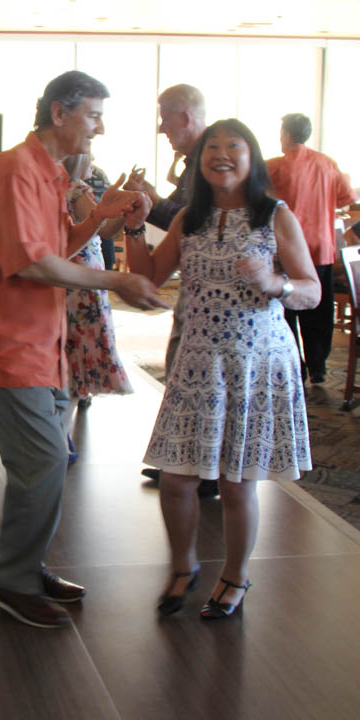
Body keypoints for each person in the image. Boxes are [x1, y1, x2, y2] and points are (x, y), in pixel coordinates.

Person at [0, 70, 168, 629]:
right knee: (44, 461)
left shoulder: (45, 173)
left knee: (46, 462)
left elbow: (51, 247)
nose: (100, 126)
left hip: (37, 341)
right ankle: (10, 577)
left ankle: (25, 566)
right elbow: (30, 263)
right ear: (59, 114)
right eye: (93, 114)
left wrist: (98, 217)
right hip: (7, 342)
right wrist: (119, 282)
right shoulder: (17, 171)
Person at [125, 119, 320, 619]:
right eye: (213, 147)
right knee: (176, 478)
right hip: (198, 361)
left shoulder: (274, 215)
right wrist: (131, 227)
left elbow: (311, 290)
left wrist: (275, 283)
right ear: (200, 161)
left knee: (237, 482)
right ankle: (183, 567)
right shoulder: (190, 216)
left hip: (256, 363)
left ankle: (235, 575)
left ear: (252, 159)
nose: (222, 155)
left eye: (235, 147)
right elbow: (147, 280)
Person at [125, 84, 217, 497]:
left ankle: (193, 467)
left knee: (186, 370)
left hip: (210, 292)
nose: (162, 128)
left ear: (185, 117)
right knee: (184, 369)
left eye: (164, 118)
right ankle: (189, 464)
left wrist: (151, 201)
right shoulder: (199, 159)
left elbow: (187, 219)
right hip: (200, 287)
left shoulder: (207, 161)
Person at [267, 112, 358, 384]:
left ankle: (296, 365)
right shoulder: (327, 164)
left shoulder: (274, 167)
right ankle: (318, 366)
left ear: (286, 135)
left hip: (287, 251)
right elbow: (348, 197)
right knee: (319, 309)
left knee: (287, 310)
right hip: (321, 248)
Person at [62, 154, 132, 410]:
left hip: (68, 267)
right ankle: (79, 388)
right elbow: (103, 228)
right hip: (82, 269)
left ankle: (72, 387)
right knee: (84, 332)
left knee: (71, 331)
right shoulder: (76, 189)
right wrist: (126, 209)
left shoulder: (59, 185)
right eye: (88, 152)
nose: (92, 158)